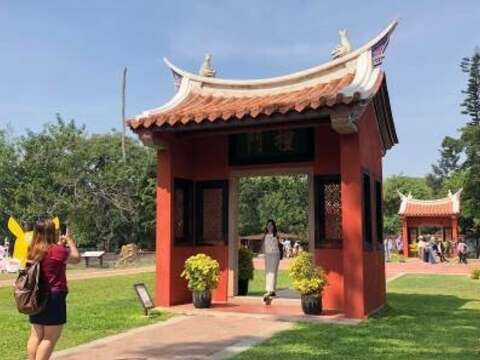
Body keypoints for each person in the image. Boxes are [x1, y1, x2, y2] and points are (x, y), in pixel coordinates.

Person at [26, 219, 80, 360]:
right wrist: (69, 240)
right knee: (50, 337)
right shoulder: (58, 250)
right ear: (51, 232)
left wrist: (59, 246)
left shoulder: (32, 249)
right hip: (54, 296)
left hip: (37, 296)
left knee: (35, 335)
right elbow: (76, 258)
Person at [263, 219, 281, 301]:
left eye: (271, 225)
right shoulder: (265, 235)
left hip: (275, 255)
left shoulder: (276, 235)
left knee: (273, 272)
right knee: (267, 272)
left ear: (274, 226)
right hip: (267, 255)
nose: (269, 226)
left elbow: (283, 238)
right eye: (268, 225)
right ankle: (270, 290)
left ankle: (270, 290)